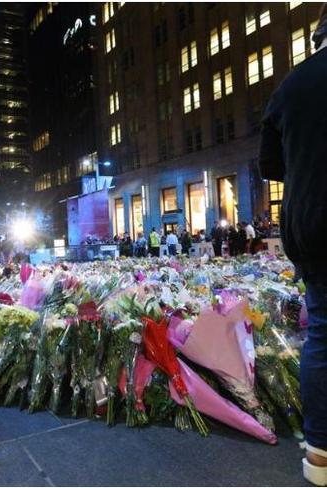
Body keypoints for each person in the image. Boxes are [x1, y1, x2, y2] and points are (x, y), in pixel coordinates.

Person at [259, 8, 327, 484]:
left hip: (312, 225)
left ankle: (320, 452)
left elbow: (269, 165)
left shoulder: (291, 85)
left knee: (323, 333)